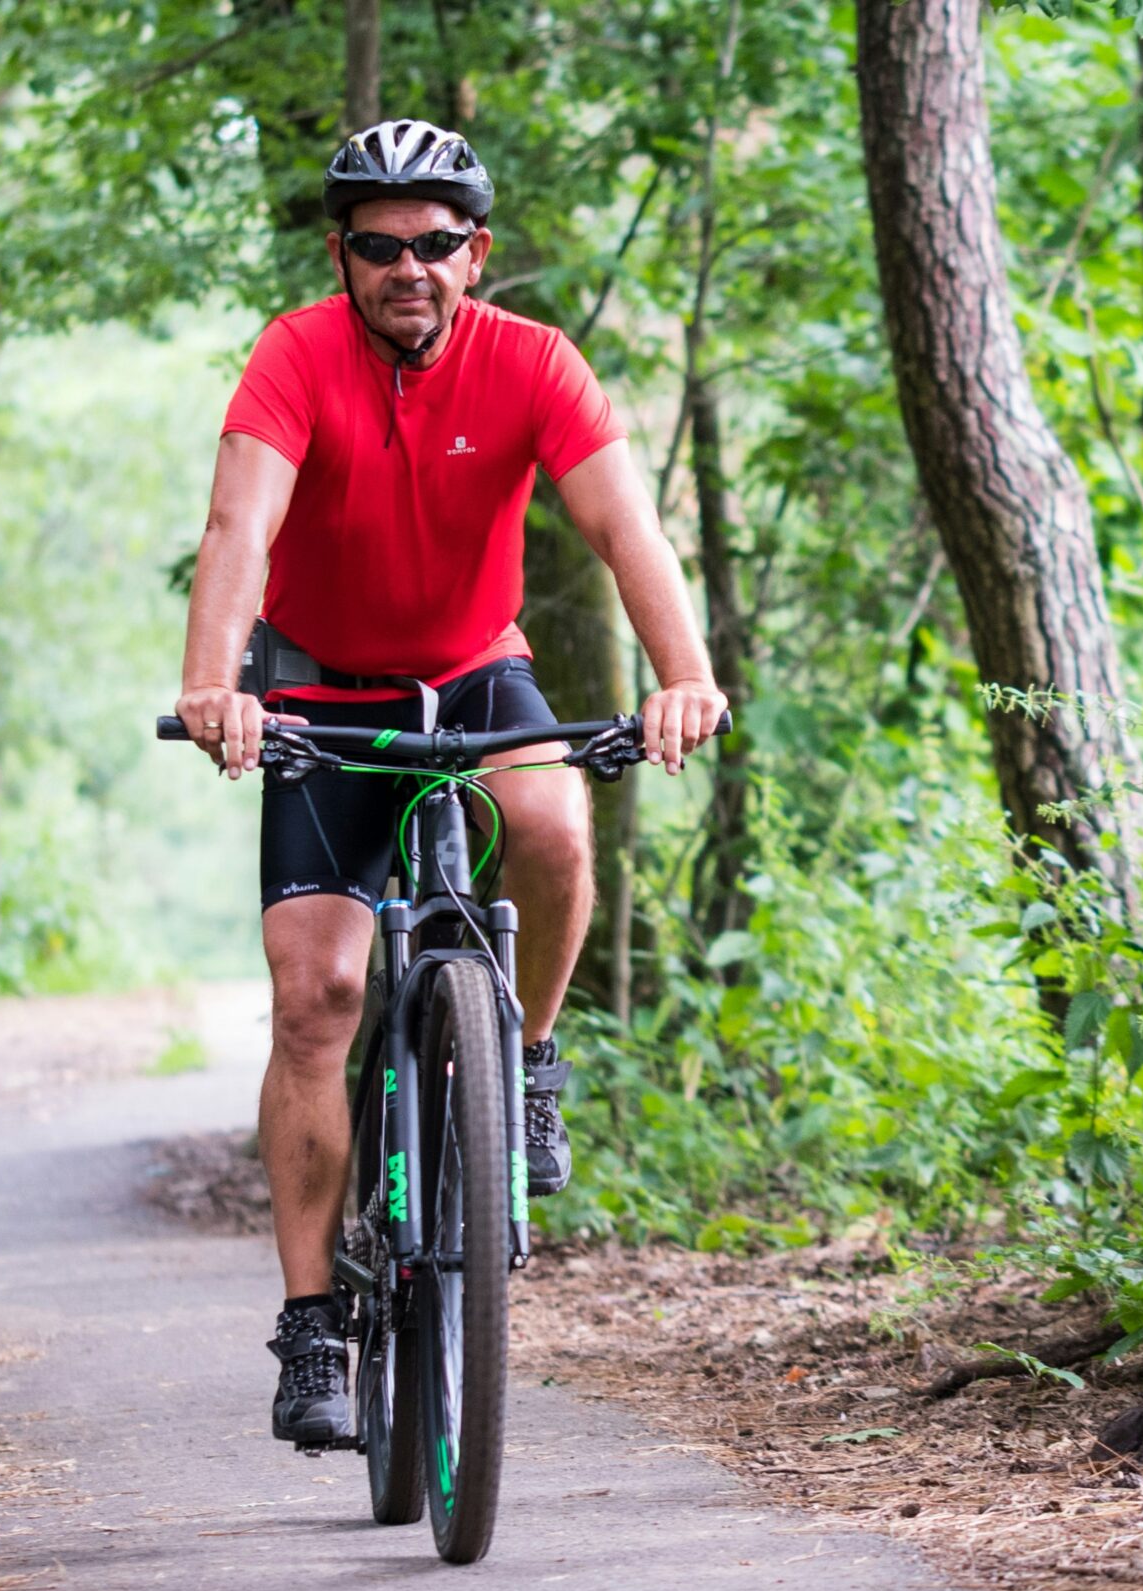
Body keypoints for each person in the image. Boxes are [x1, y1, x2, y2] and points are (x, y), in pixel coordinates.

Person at [172, 119, 726, 1445]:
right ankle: (313, 1324)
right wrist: (214, 683)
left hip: (476, 672)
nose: (406, 267)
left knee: (554, 825)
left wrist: (685, 675)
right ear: (342, 257)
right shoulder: (295, 354)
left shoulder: (534, 363)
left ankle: (524, 1063)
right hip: (316, 690)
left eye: (434, 243)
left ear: (477, 253)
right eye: (378, 245)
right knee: (317, 997)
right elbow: (239, 523)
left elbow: (625, 528)